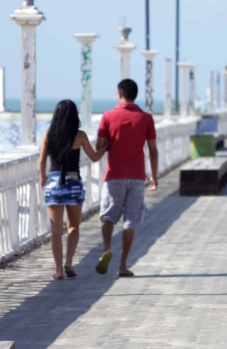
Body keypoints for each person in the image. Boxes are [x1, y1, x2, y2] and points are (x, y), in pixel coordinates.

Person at [95, 79, 159, 277]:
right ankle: (122, 265)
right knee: (130, 221)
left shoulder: (108, 116)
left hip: (114, 175)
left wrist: (110, 144)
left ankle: (107, 248)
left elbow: (99, 146)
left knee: (107, 216)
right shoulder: (146, 118)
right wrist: (154, 176)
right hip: (137, 177)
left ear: (119, 94)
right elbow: (153, 151)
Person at [39, 100, 107, 281]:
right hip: (73, 182)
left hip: (53, 183)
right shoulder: (80, 136)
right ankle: (69, 261)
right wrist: (107, 146)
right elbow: (94, 157)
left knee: (55, 230)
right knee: (73, 227)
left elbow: (41, 161)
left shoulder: (49, 135)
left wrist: (43, 177)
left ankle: (59, 270)